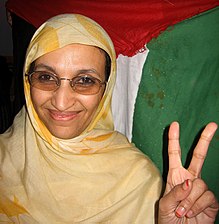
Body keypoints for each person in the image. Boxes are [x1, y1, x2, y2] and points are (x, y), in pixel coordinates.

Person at [0, 14, 218, 223]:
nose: (62, 101)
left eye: (85, 80)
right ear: (28, 81)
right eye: (46, 77)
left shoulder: (135, 178)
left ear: (106, 89)